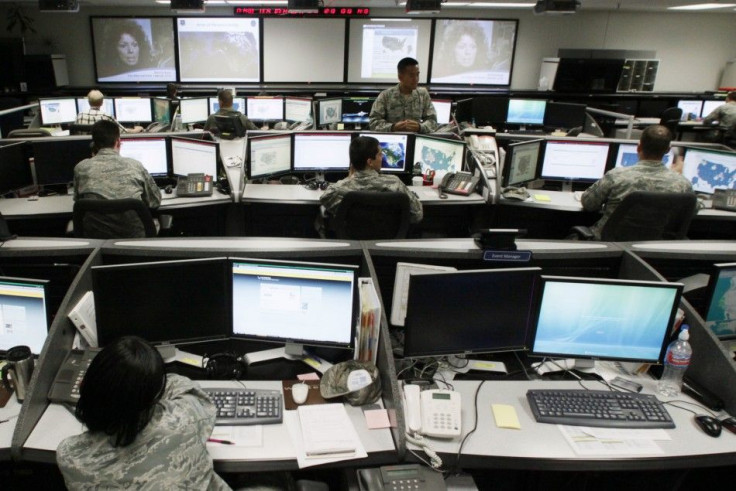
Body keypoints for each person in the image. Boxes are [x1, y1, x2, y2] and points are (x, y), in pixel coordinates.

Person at [56, 336, 230, 490]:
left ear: (84, 386)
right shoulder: (183, 420)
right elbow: (194, 394)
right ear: (154, 397)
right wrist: (144, 375)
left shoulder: (69, 456)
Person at [580, 124, 693, 240]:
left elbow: (589, 204)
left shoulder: (616, 176)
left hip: (610, 243)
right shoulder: (682, 183)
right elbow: (691, 211)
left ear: (639, 147)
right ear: (668, 150)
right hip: (653, 246)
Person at [73, 120, 161, 238]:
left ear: (94, 144)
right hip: (134, 241)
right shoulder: (135, 165)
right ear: (118, 142)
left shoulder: (81, 168)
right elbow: (155, 202)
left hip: (96, 242)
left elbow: (79, 201)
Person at [318, 136, 423, 235]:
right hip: (389, 242)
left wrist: (349, 178)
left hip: (353, 243)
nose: (382, 157)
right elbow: (417, 215)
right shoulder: (394, 183)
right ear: (370, 162)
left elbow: (324, 198)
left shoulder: (340, 188)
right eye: (380, 155)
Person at [369, 57, 438, 134]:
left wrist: (420, 127)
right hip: (393, 140)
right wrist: (392, 127)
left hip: (416, 139)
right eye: (411, 75)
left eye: (417, 75)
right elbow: (373, 122)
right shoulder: (385, 95)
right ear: (400, 77)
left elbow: (433, 121)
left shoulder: (423, 94)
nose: (416, 79)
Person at [75, 90, 143, 133]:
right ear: (102, 103)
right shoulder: (107, 117)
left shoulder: (79, 116)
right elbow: (124, 132)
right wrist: (136, 129)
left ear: (88, 102)